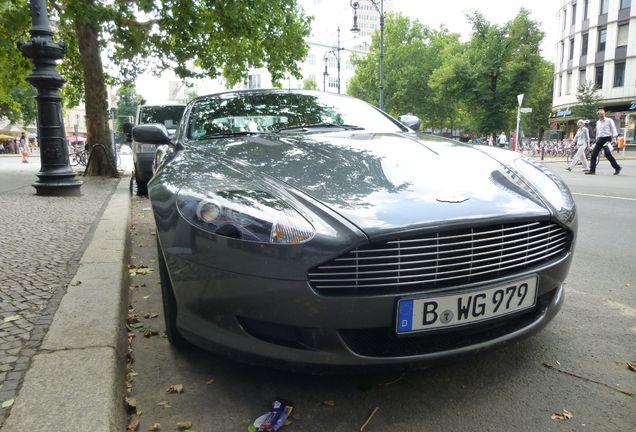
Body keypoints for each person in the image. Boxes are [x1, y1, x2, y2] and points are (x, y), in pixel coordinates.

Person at [586, 109, 622, 175]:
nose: (602, 115)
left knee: (607, 154)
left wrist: (614, 137)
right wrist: (597, 139)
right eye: (601, 114)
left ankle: (617, 167)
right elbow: (598, 132)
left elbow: (613, 128)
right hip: (600, 139)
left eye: (603, 114)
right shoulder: (598, 122)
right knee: (594, 154)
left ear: (604, 114)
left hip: (607, 139)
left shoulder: (609, 120)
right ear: (598, 115)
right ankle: (592, 170)